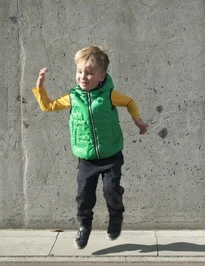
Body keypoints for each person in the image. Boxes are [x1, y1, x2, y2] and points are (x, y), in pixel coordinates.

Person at [32, 45, 148, 249]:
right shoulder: (73, 97)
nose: (83, 77)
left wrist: (137, 119)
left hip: (111, 154)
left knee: (110, 190)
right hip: (86, 158)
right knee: (84, 195)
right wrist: (40, 87)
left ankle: (116, 216)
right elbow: (47, 106)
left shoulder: (109, 95)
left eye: (89, 73)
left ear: (101, 77)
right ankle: (84, 226)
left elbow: (129, 101)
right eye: (79, 72)